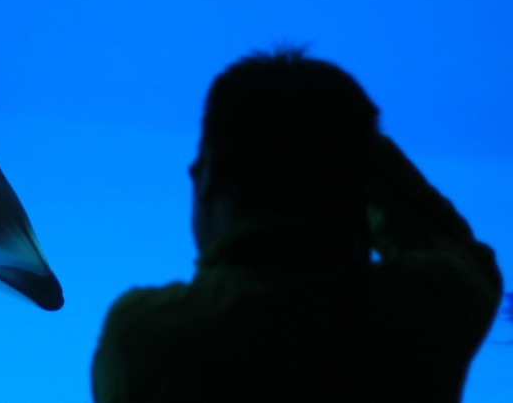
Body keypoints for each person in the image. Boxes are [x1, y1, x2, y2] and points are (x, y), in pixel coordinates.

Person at [92, 48, 502, 402]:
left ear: (208, 173)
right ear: (364, 178)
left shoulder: (144, 335)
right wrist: (355, 151)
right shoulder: (431, 310)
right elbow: (454, 249)